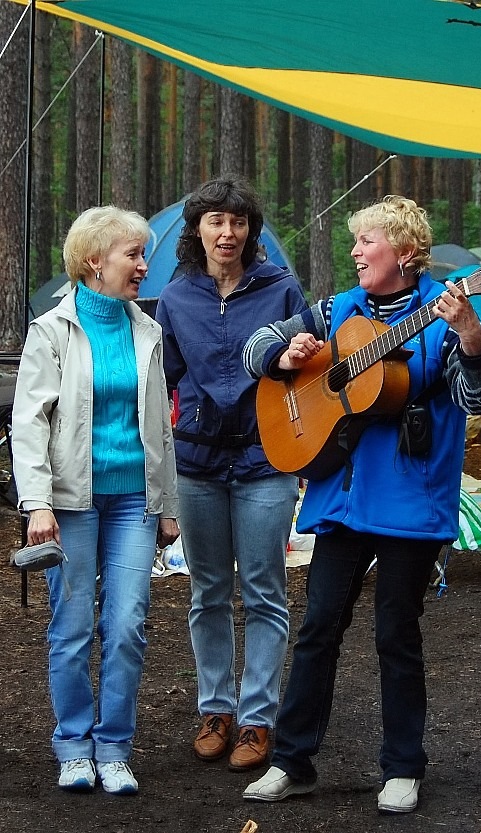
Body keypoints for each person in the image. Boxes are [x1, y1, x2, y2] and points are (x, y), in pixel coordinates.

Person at [240, 195, 481, 814]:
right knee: (317, 628)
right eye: (356, 241)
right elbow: (256, 349)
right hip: (343, 496)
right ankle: (292, 761)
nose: (355, 251)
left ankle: (403, 767)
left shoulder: (444, 314)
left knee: (395, 633)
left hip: (411, 500)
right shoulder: (336, 309)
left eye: (368, 241)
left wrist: (471, 337)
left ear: (406, 253)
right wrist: (284, 356)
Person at [12, 206, 180, 795]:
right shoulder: (51, 332)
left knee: (128, 624)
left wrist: (169, 504)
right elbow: (29, 423)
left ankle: (113, 748)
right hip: (71, 503)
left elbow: (161, 426)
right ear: (94, 261)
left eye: (143, 254)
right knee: (73, 626)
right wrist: (37, 503)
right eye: (133, 255)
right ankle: (72, 745)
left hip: (135, 502)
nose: (143, 266)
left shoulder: (148, 331)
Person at [155, 177, 308, 772]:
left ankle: (256, 718)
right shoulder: (175, 298)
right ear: (197, 230)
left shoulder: (281, 289)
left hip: (265, 459)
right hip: (196, 463)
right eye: (216, 221)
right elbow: (164, 381)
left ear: (251, 231)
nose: (228, 233)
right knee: (209, 591)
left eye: (238, 222)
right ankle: (215, 710)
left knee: (266, 590)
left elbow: (307, 366)